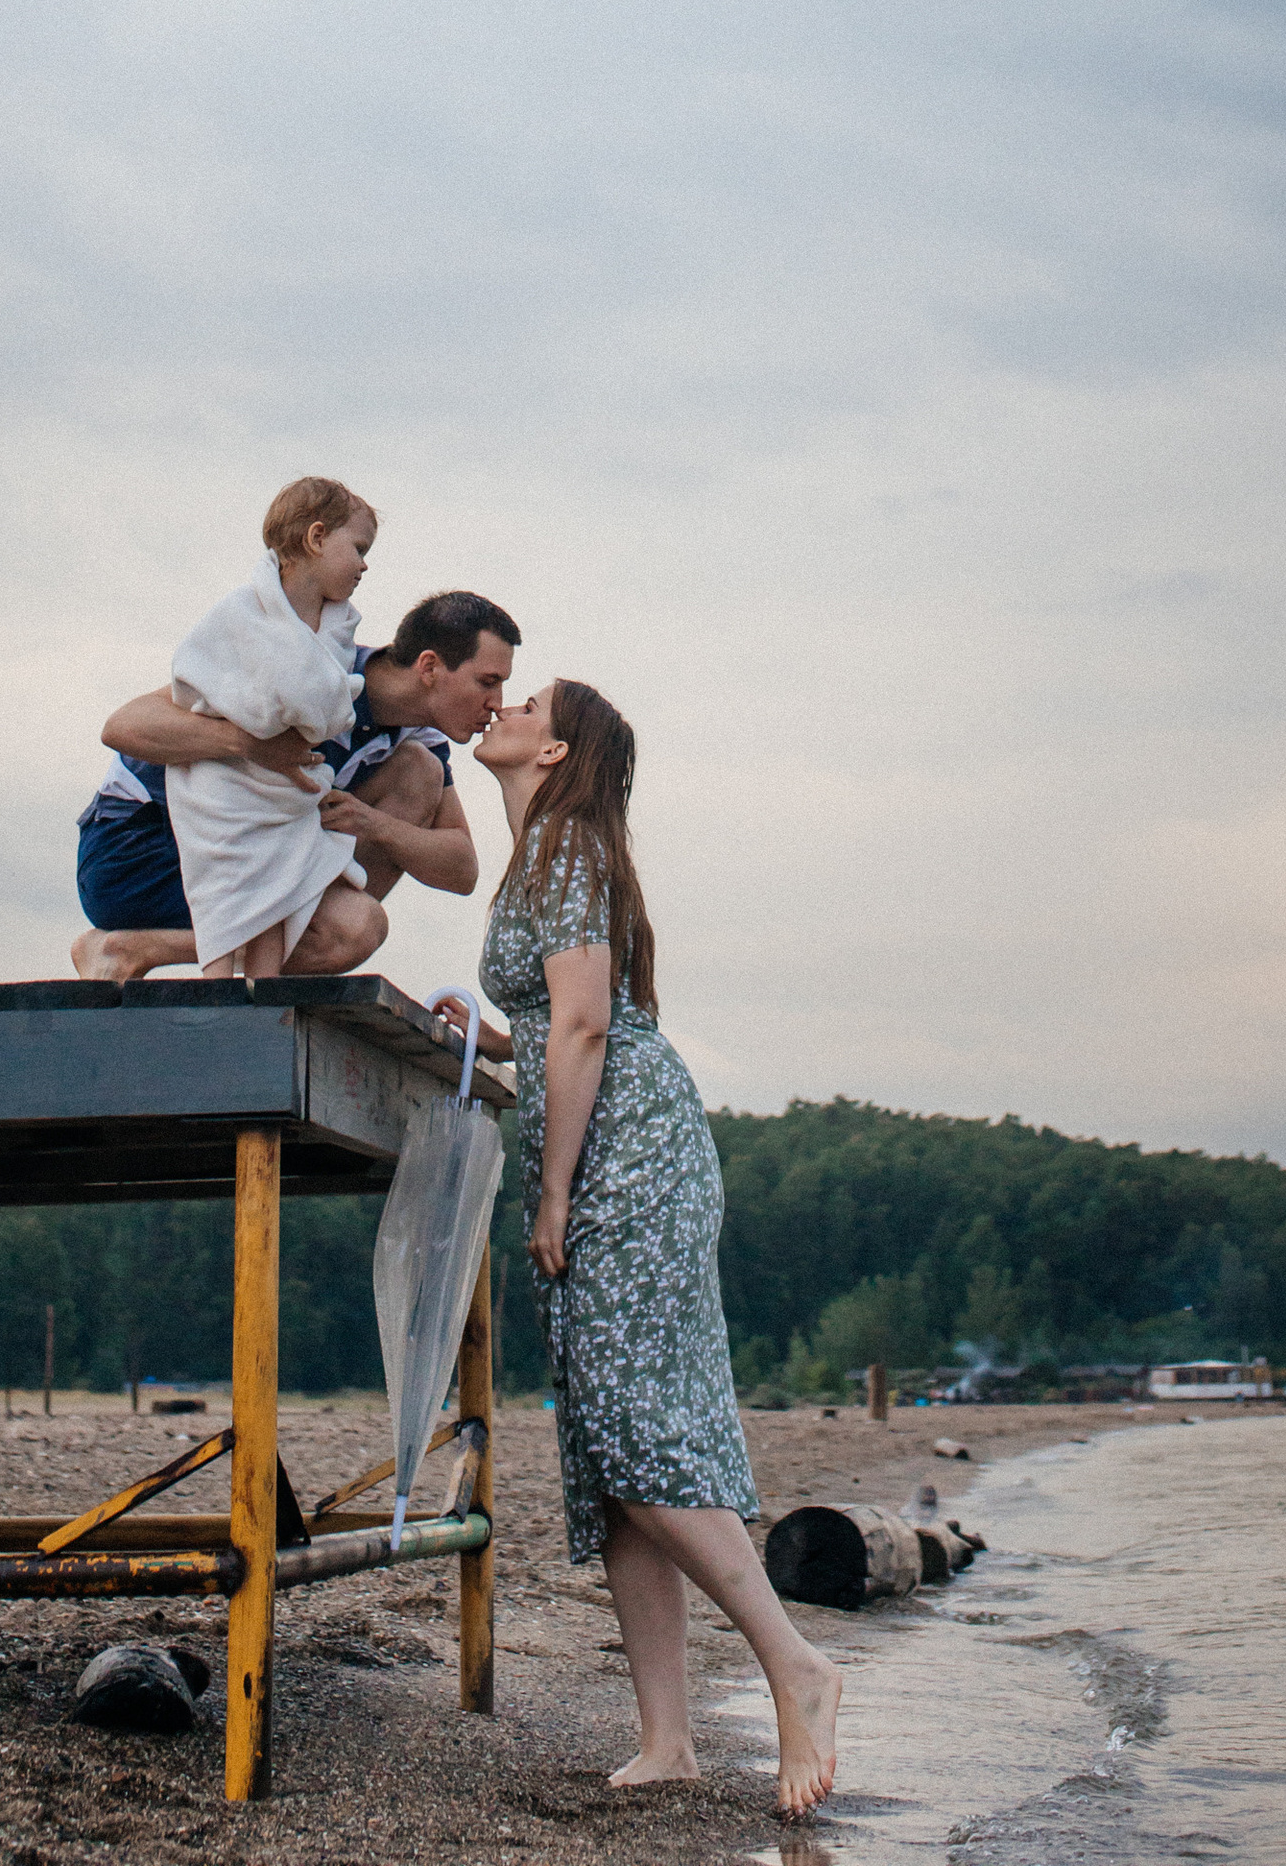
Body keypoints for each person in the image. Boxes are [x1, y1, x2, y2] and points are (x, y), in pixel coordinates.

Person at [473, 679, 841, 1823]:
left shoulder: (565, 846)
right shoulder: (546, 852)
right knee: (609, 1446)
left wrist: (553, 1191)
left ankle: (794, 1664)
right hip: (613, 1153)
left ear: (555, 748)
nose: (500, 706)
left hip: (625, 1162)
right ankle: (668, 1740)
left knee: (631, 1428)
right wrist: (488, 1037)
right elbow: (555, 1021)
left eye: (524, 701)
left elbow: (589, 1024)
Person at [71, 502, 517, 981]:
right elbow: (122, 726)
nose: (497, 703)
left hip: (245, 858)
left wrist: (373, 824)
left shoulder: (417, 736)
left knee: (413, 784)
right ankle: (129, 949)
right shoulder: (313, 670)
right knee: (350, 927)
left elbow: (462, 870)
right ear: (429, 667)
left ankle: (253, 976)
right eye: (487, 681)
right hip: (139, 848)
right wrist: (247, 743)